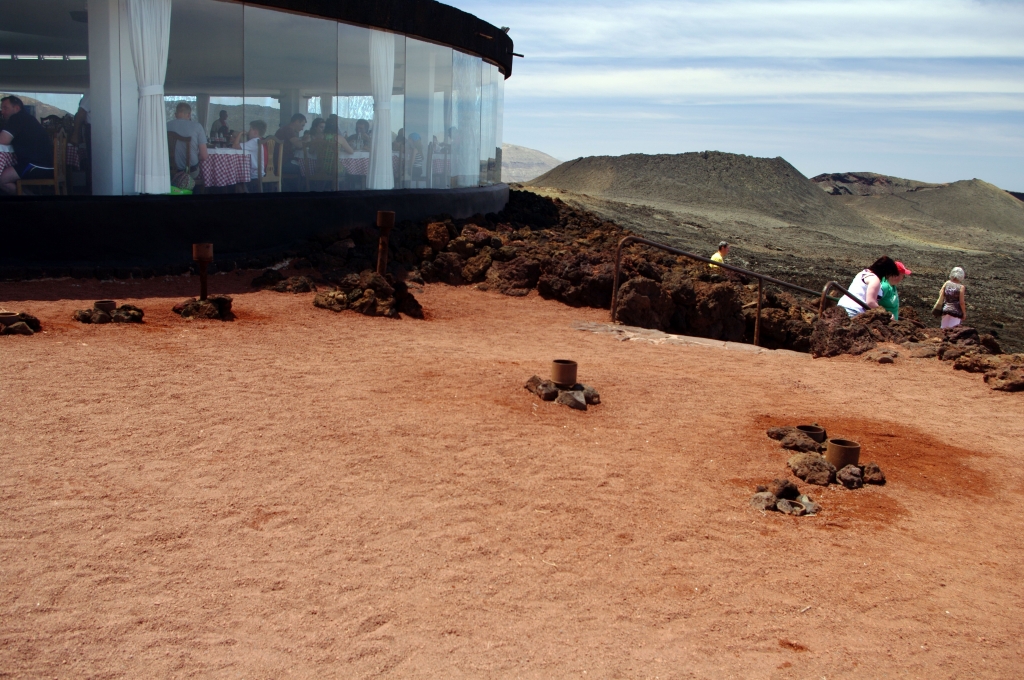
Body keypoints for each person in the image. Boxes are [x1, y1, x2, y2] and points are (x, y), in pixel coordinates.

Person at [0, 95, 55, 195]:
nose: (2, 111)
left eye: (5, 108)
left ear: (16, 108)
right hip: (46, 165)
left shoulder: (17, 118)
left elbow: (3, 140)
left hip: (37, 165)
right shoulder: (27, 118)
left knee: (1, 179)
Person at [166, 102, 208, 181]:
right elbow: (204, 156)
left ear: (175, 114)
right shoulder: (197, 127)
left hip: (169, 171)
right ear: (189, 114)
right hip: (190, 172)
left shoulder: (166, 126)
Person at [231, 119, 268, 184]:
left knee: (236, 180)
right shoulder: (258, 141)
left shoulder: (254, 141)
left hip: (254, 175)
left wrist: (240, 133)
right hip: (259, 173)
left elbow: (235, 146)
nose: (248, 131)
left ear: (255, 132)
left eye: (250, 129)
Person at [274, 113, 307, 182]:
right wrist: (307, 140)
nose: (302, 129)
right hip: (283, 163)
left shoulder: (284, 129)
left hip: (279, 162)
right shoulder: (288, 129)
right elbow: (299, 145)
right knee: (304, 168)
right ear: (297, 121)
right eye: (302, 125)